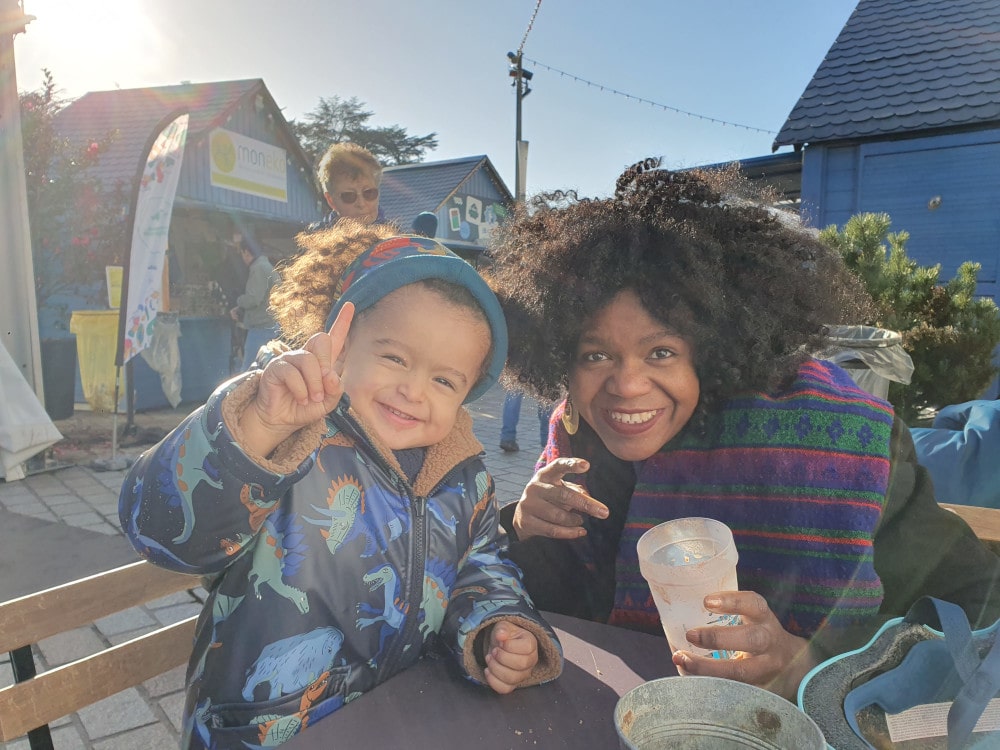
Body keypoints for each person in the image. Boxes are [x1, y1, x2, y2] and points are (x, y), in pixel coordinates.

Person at [487, 158, 1000, 702]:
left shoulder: (840, 444)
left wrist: (809, 660)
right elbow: (567, 612)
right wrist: (521, 528)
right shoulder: (579, 441)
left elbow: (975, 607)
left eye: (661, 352)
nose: (627, 385)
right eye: (595, 354)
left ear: (712, 353)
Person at [119, 222, 563, 749]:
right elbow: (160, 531)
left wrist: (497, 627)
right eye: (395, 357)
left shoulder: (464, 478)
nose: (413, 389)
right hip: (267, 731)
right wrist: (257, 429)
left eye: (445, 380)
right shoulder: (285, 431)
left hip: (397, 721)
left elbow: (478, 568)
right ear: (342, 345)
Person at [306, 142, 385, 231]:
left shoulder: (398, 240)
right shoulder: (315, 242)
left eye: (369, 193)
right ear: (330, 200)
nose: (361, 204)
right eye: (349, 196)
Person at [229, 233, 279, 372]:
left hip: (262, 328)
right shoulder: (267, 266)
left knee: (248, 372)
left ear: (246, 252)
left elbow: (253, 299)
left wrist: (238, 300)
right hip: (272, 325)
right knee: (267, 371)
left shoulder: (258, 268)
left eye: (241, 252)